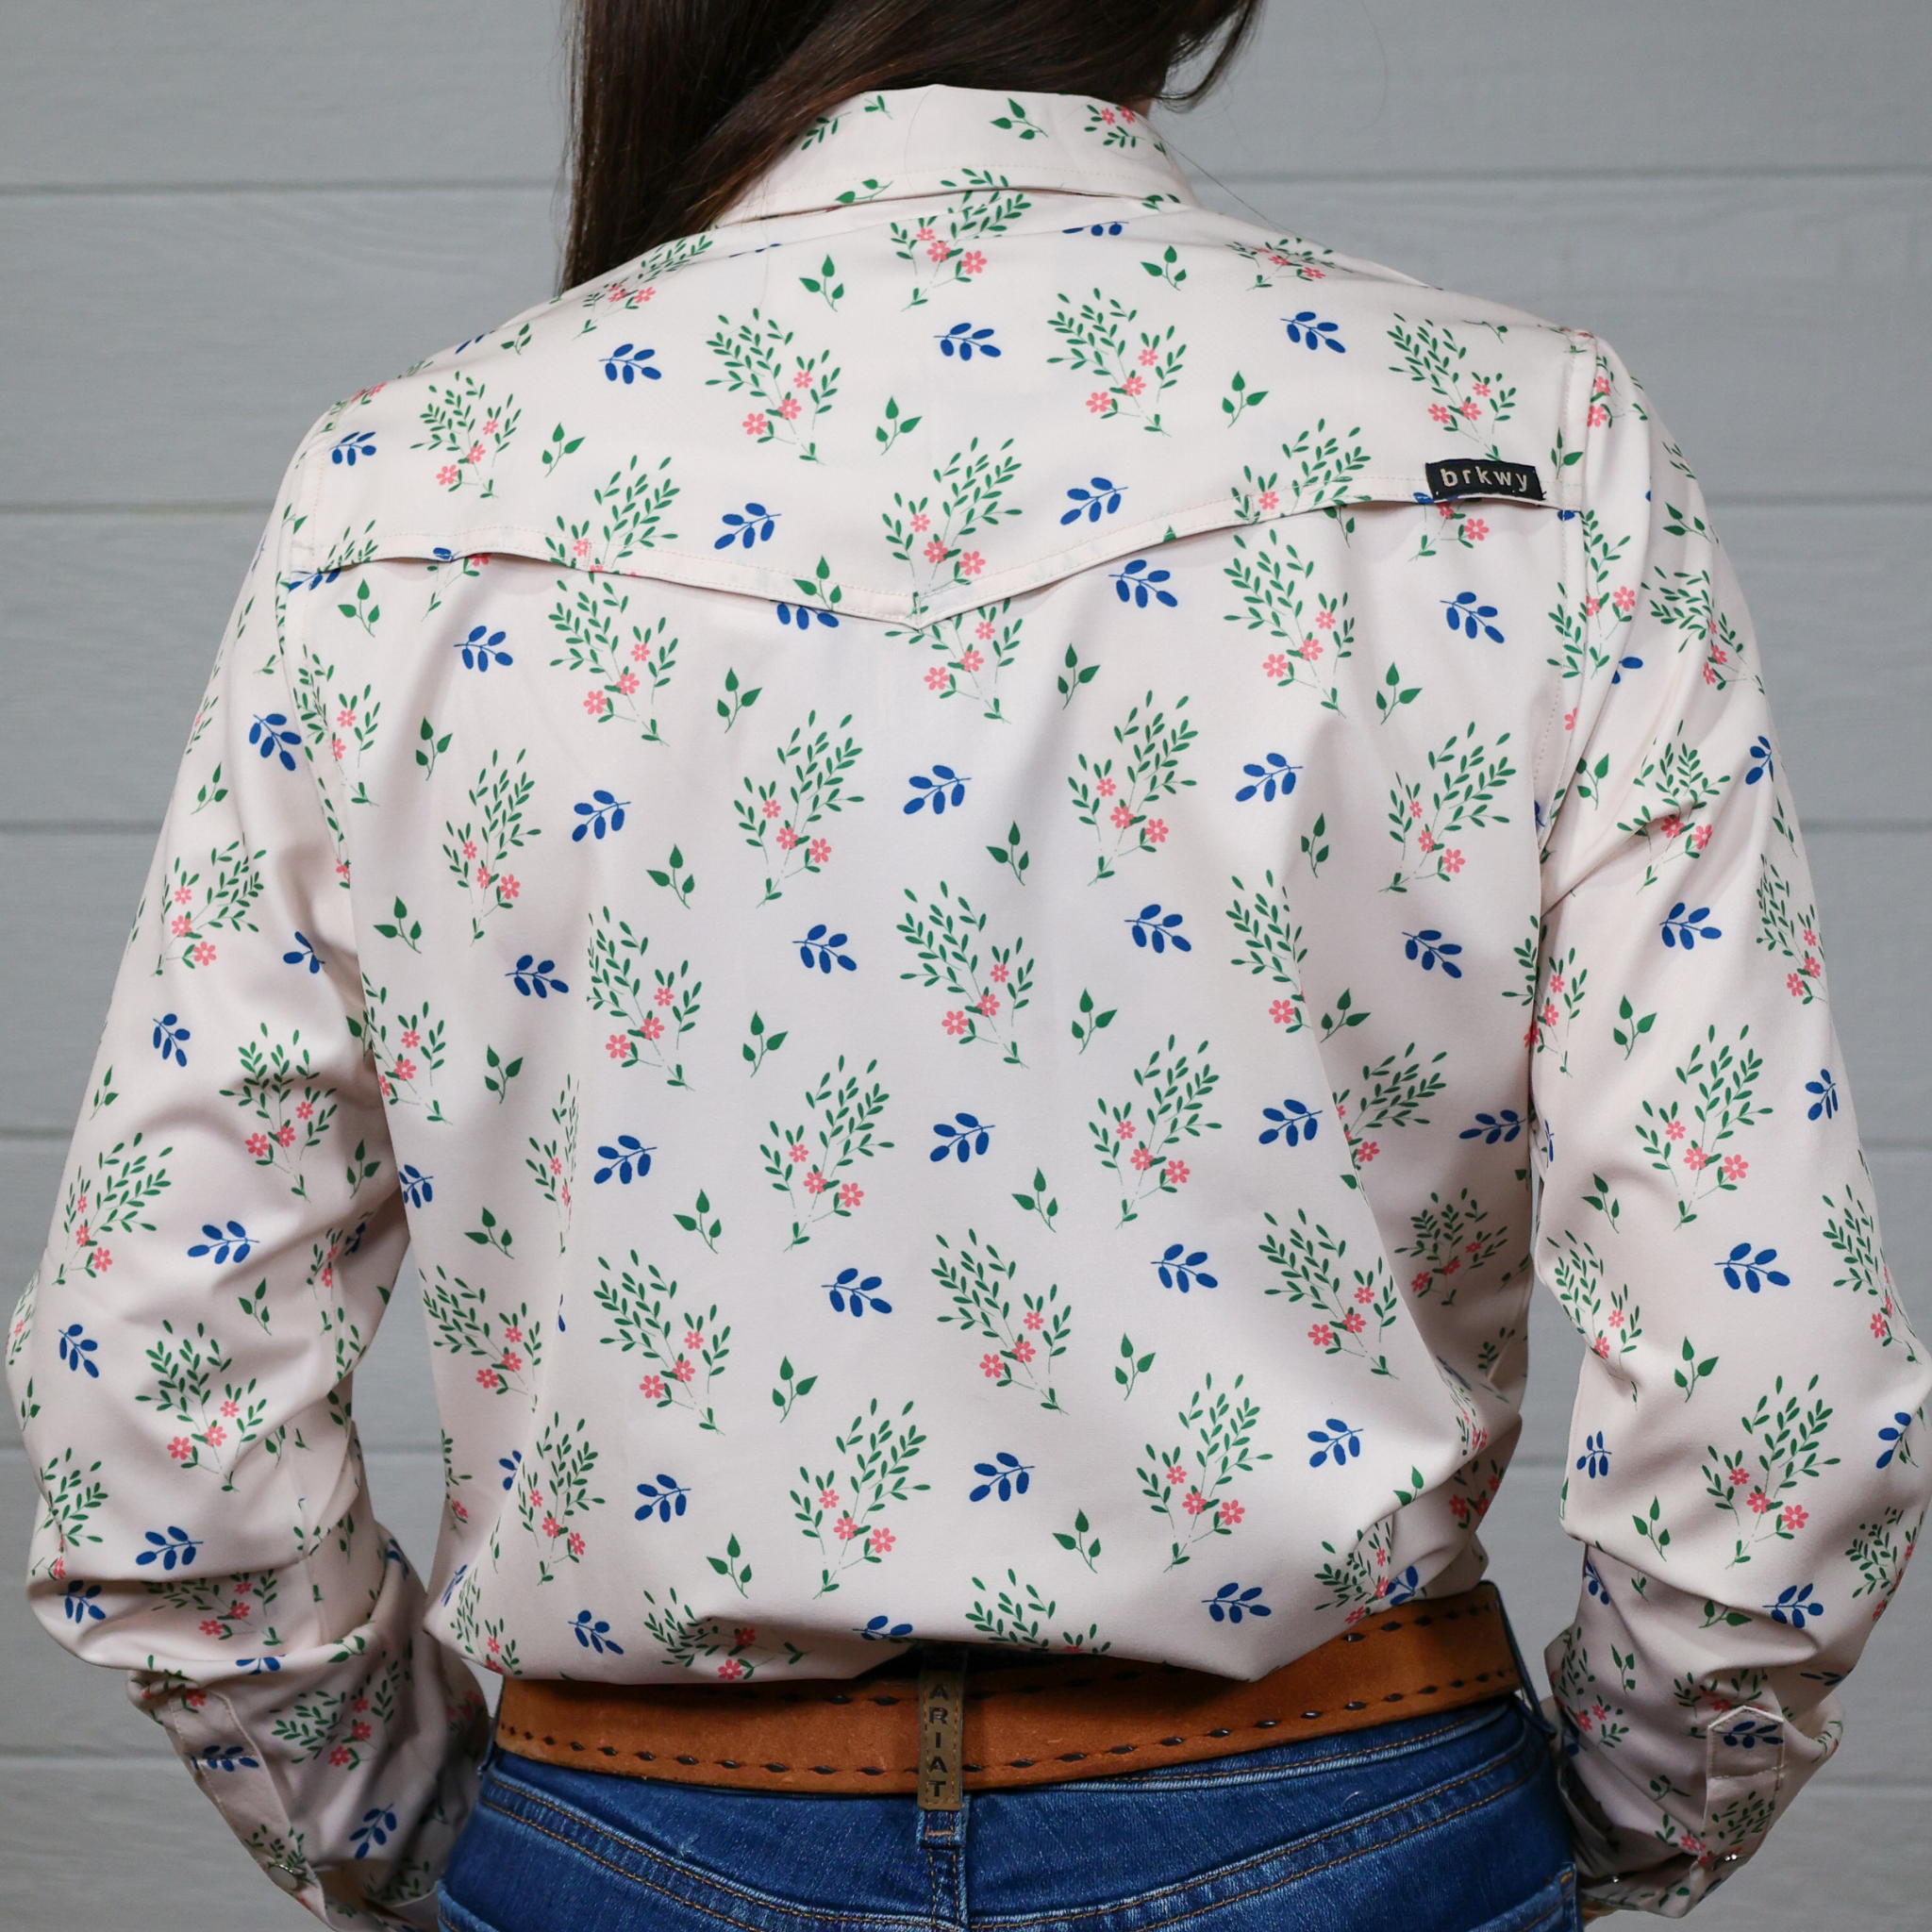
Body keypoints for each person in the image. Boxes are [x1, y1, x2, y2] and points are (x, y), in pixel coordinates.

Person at [9, 2, 1927, 1926]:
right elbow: (1775, 1393)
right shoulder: (1519, 452)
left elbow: (156, 1398)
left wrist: (425, 1827)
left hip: (642, 1834)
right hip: (1355, 1817)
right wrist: (1619, 1814)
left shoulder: (404, 494)